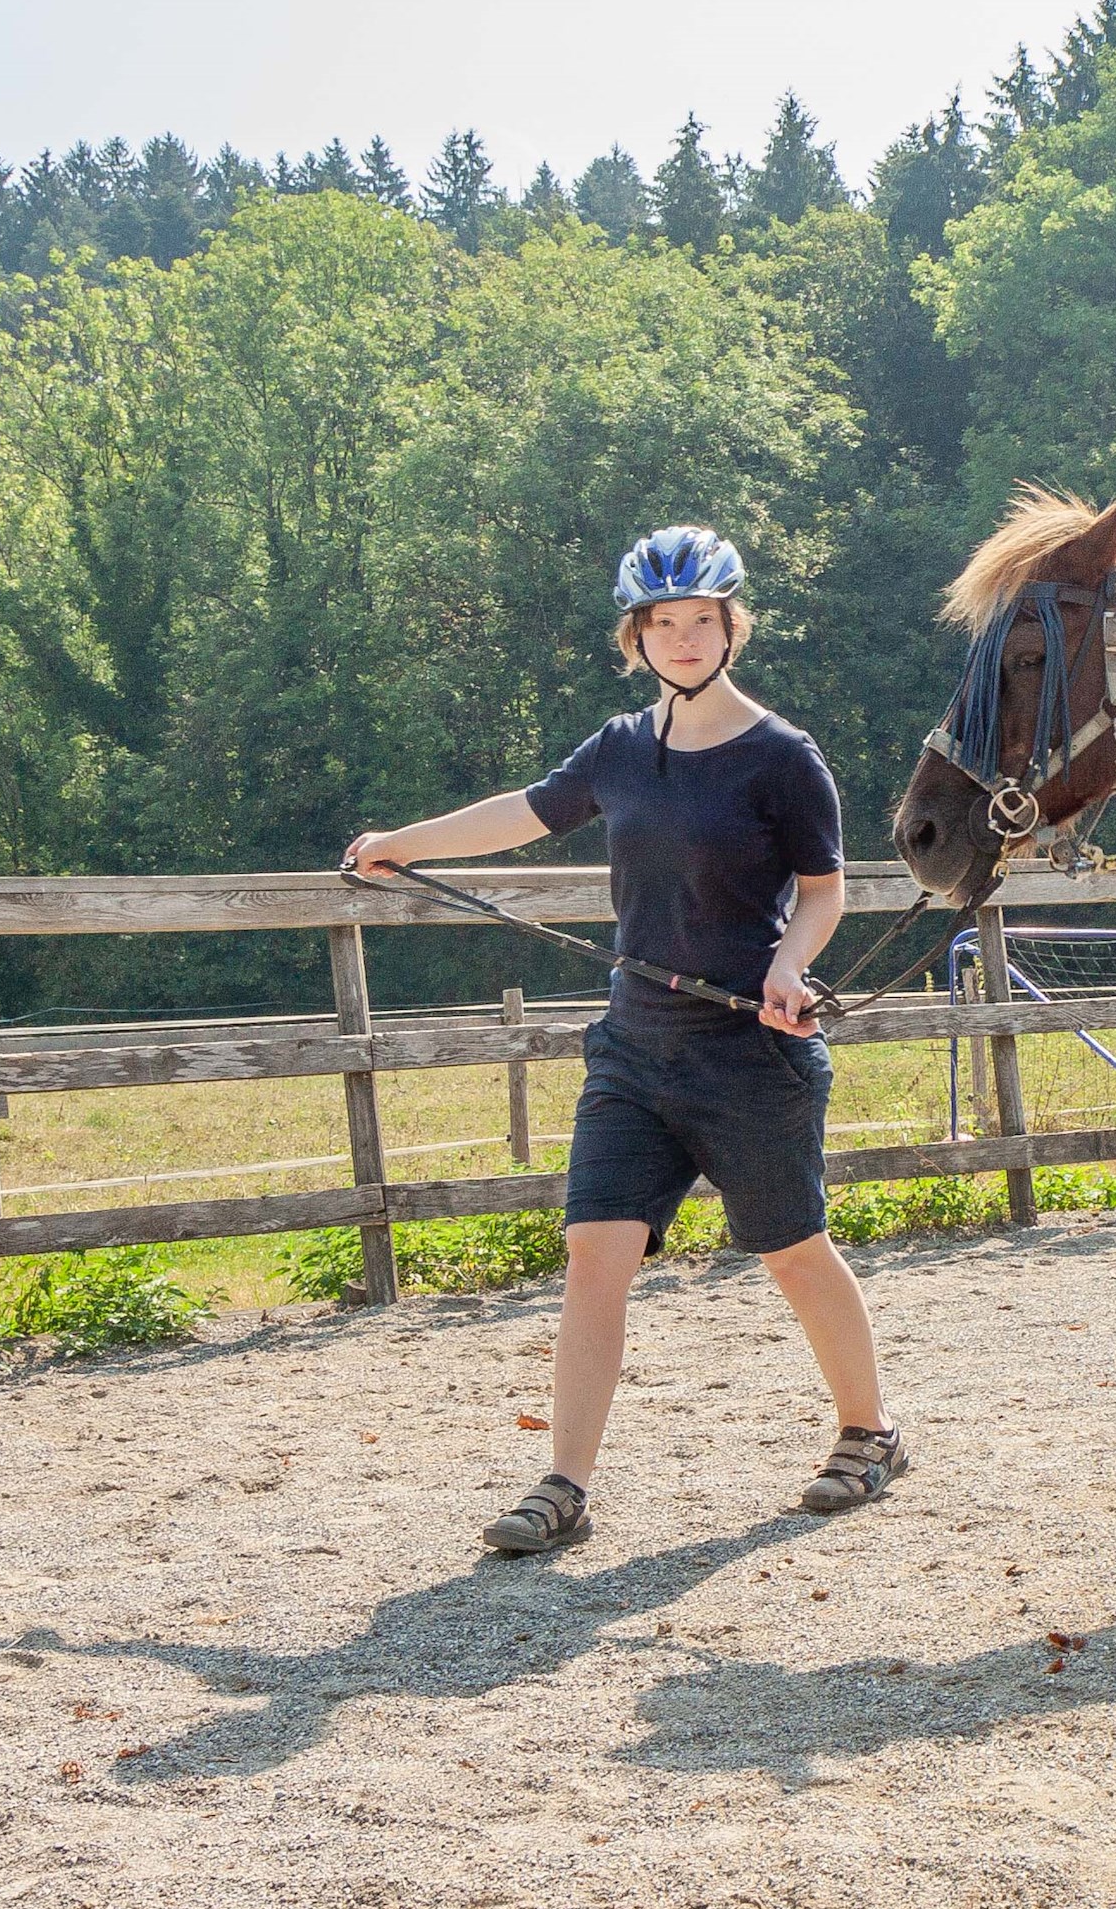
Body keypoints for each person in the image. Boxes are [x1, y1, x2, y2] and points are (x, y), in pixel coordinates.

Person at [342, 524, 908, 1552]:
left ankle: (868, 1432)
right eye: (663, 623)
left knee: (791, 1251)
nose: (683, 638)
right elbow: (525, 811)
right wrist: (402, 843)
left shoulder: (783, 758)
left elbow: (826, 891)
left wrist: (790, 964)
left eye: (701, 620)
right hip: (633, 1048)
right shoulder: (615, 749)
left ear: (732, 627)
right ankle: (563, 1485)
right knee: (593, 1255)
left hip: (748, 1051)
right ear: (636, 636)